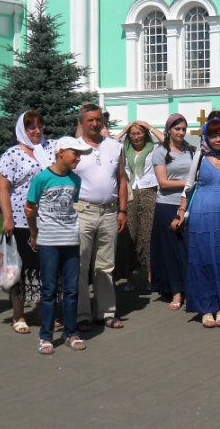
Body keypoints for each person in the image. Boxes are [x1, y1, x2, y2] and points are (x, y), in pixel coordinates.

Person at [171, 115, 220, 328]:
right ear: (206, 137)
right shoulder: (200, 156)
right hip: (201, 213)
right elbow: (189, 184)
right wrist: (181, 211)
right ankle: (206, 308)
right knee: (203, 259)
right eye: (213, 135)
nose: (218, 139)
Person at [25, 136, 88, 355]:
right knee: (49, 290)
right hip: (49, 241)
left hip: (70, 240)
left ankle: (71, 332)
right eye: (75, 154)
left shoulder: (75, 180)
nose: (78, 159)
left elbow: (72, 207)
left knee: (71, 290)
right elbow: (29, 208)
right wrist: (34, 234)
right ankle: (46, 335)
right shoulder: (42, 179)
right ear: (61, 152)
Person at [0, 111, 53, 334]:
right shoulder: (13, 154)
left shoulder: (50, 149)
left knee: (43, 267)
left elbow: (74, 144)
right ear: (22, 130)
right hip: (20, 220)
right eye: (31, 128)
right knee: (20, 269)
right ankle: (18, 315)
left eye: (39, 126)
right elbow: (2, 188)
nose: (37, 131)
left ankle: (39, 310)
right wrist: (7, 218)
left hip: (48, 219)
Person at [72, 103, 128, 330]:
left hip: (109, 211)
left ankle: (106, 312)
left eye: (98, 120)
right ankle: (82, 315)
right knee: (80, 264)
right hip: (82, 212)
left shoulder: (114, 147)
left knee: (105, 265)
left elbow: (122, 179)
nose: (95, 124)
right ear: (81, 123)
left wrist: (122, 210)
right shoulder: (72, 148)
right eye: (90, 120)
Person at [150, 113, 194, 309]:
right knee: (171, 251)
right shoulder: (160, 152)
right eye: (177, 129)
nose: (181, 132)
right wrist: (190, 182)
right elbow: (163, 182)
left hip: (188, 205)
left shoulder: (191, 151)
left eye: (184, 129)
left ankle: (189, 290)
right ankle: (176, 292)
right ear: (169, 130)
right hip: (168, 205)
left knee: (187, 250)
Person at [115, 121, 162, 289]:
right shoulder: (122, 149)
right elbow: (112, 143)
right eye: (133, 134)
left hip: (149, 191)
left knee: (148, 234)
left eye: (139, 133)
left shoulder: (154, 148)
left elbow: (166, 141)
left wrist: (148, 126)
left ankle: (150, 275)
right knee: (130, 235)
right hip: (129, 193)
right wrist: (124, 130)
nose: (136, 137)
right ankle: (130, 277)